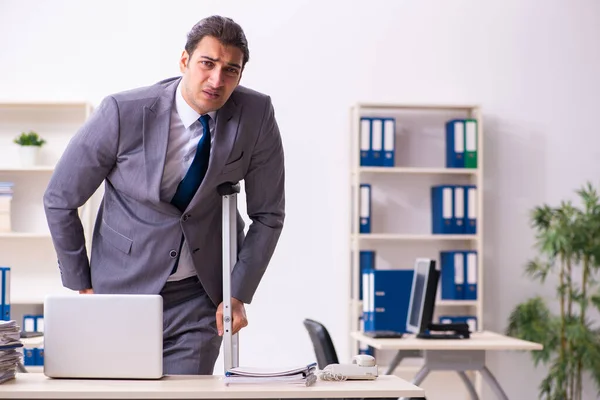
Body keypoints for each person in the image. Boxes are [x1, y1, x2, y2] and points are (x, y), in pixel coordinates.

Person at [43, 15, 285, 375]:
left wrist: (237, 292)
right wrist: (83, 287)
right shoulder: (123, 112)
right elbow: (60, 198)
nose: (217, 80)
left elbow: (268, 215)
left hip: (199, 299)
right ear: (185, 61)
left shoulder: (256, 114)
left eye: (231, 70)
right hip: (121, 292)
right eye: (207, 63)